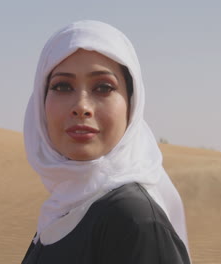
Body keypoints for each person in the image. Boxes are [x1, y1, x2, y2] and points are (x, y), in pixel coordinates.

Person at [21, 20, 191, 264]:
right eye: (62, 86)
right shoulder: (63, 208)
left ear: (131, 105)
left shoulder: (133, 221)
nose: (81, 107)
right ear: (40, 101)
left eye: (103, 87)